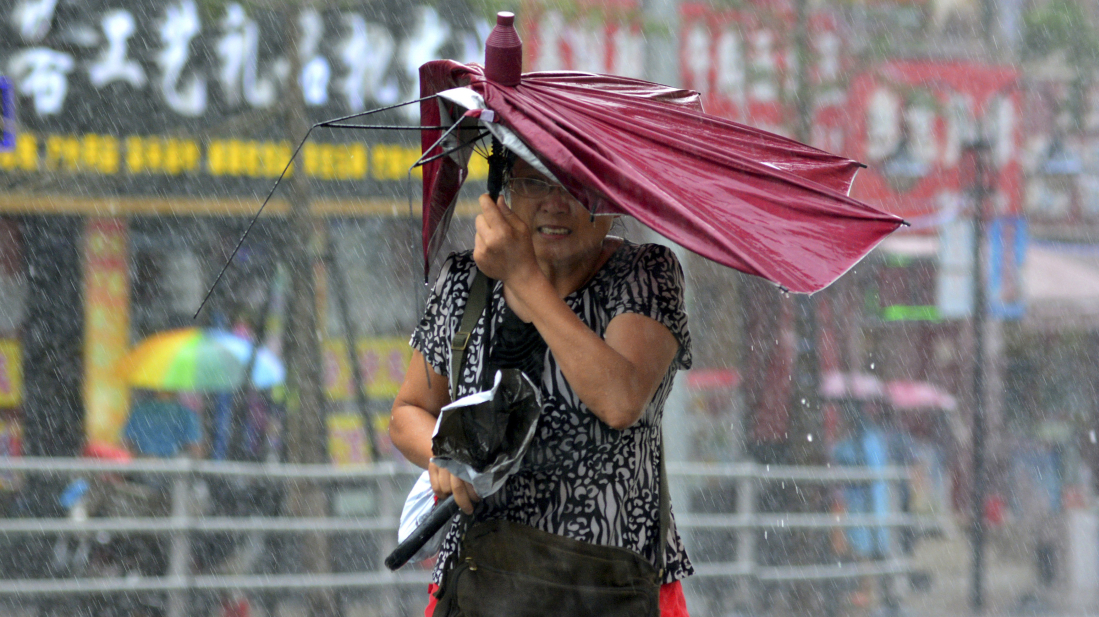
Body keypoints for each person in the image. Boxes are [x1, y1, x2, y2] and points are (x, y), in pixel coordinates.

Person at [390, 156, 694, 616]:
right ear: (505, 189)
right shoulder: (464, 280)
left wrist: (524, 276)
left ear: (611, 193)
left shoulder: (646, 274)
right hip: (484, 583)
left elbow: (619, 400)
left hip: (611, 586)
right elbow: (407, 411)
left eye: (576, 183)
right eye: (534, 182)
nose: (555, 203)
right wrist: (442, 453)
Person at [122, 389, 202, 459]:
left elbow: (126, 443)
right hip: (175, 467)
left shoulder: (139, 411)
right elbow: (195, 447)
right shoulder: (186, 413)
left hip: (145, 464)